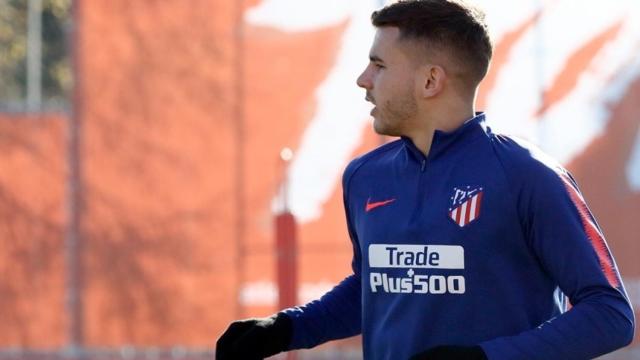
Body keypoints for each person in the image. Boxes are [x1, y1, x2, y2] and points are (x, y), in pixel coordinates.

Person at [216, 0, 635, 359]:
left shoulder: (529, 175)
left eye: (378, 65)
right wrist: (286, 329)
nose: (363, 79)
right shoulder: (365, 176)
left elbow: (610, 315)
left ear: (431, 80)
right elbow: (376, 289)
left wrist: (486, 358)